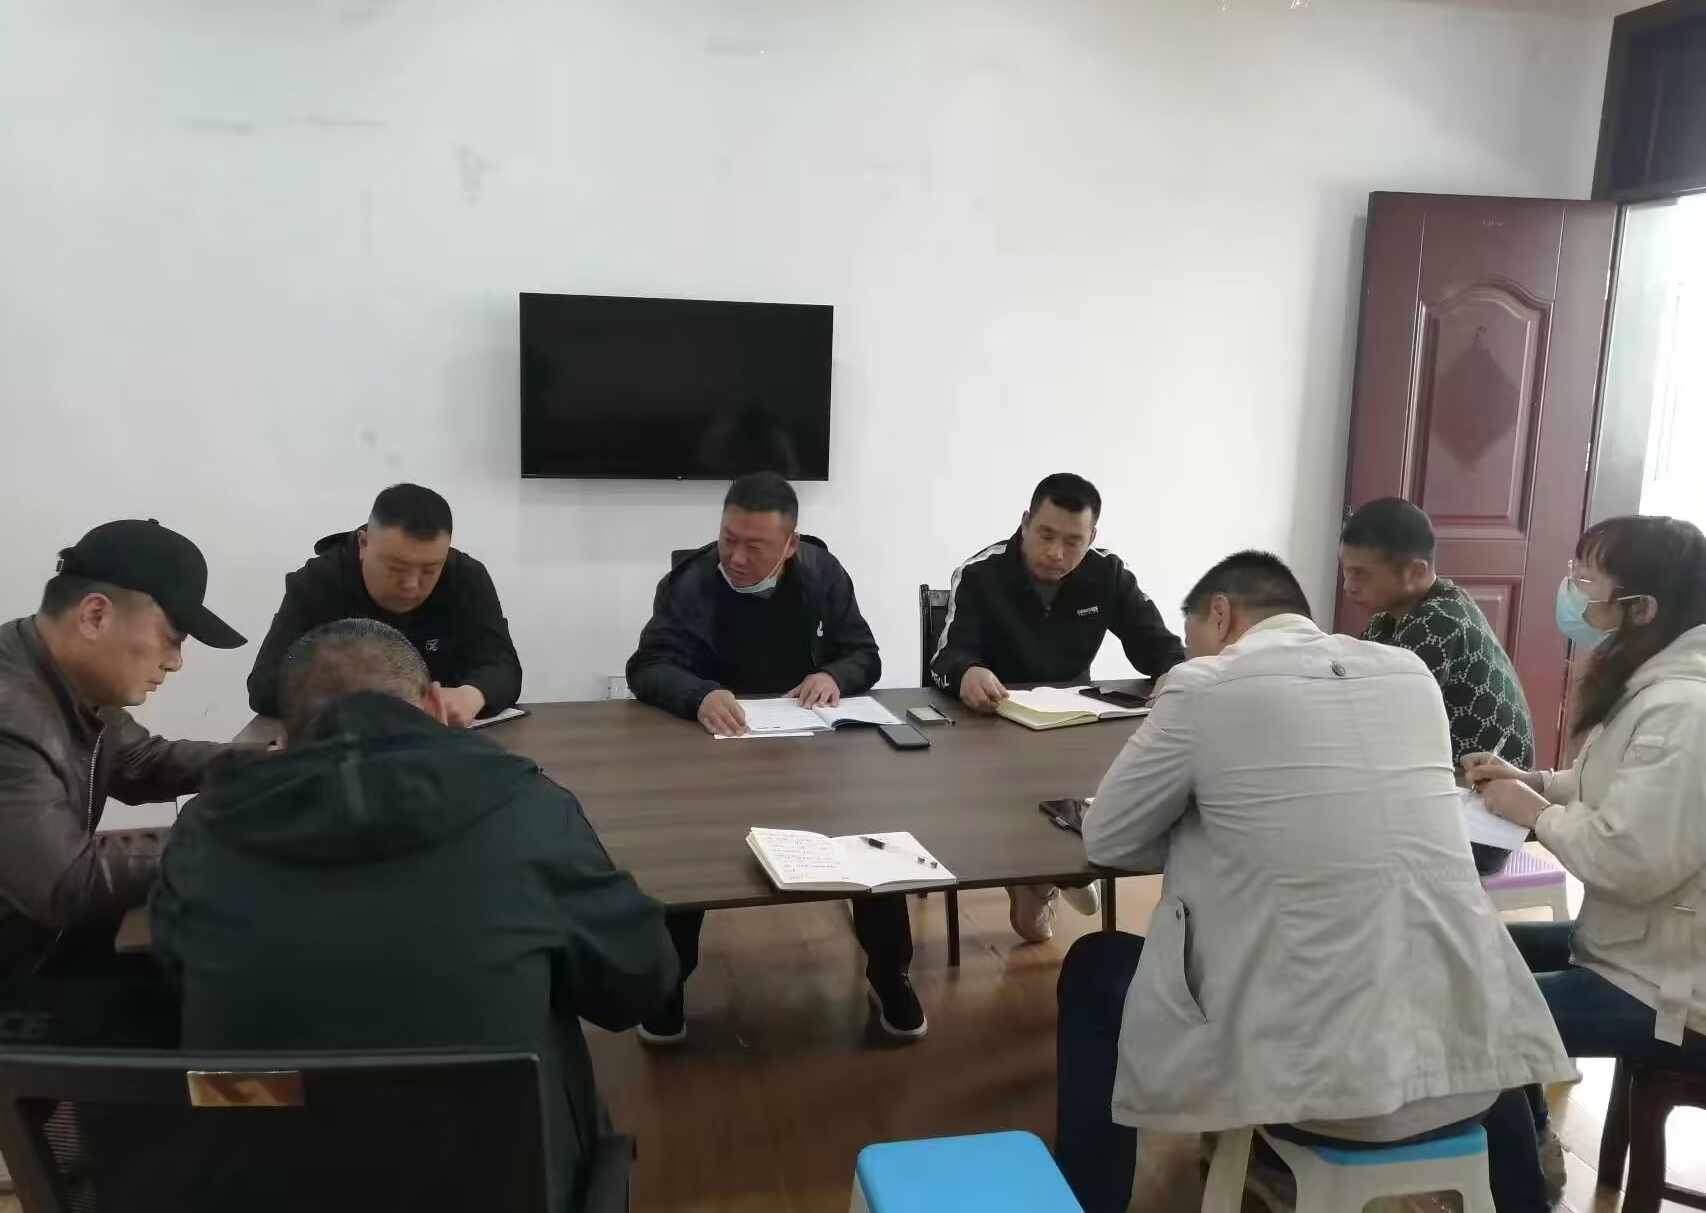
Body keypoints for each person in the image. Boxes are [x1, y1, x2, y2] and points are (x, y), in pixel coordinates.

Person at [1054, 550, 1570, 1213]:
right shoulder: (1407, 673)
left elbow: (1109, 838)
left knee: (1095, 966)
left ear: (1220, 614)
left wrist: (1204, 825)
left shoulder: (1203, 686)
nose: (1190, 653)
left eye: (1193, 638)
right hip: (1473, 1065)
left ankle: (1083, 1202)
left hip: (1310, 1084)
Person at [153, 619, 677, 1211]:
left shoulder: (205, 832)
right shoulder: (526, 809)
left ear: (287, 735)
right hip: (500, 1184)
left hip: (267, 1181)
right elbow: (639, 982)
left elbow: (175, 974)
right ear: (434, 704)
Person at [625, 472, 922, 1042]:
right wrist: (699, 694)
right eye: (728, 539)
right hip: (717, 746)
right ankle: (667, 983)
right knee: (686, 851)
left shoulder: (822, 573)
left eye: (755, 546)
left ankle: (891, 974)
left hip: (810, 747)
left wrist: (834, 676)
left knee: (869, 833)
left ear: (791, 545)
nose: (735, 558)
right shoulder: (689, 583)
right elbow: (648, 666)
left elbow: (864, 653)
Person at [1468, 515, 1706, 1208]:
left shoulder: (1685, 708)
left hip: (1670, 989)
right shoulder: (1658, 682)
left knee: (1473, 1017)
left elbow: (1630, 859)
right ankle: (1535, 1139)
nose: (1572, 592)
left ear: (1641, 608)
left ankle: (1522, 1193)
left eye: (1586, 580)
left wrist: (1533, 814)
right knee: (1471, 952)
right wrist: (1537, 783)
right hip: (1636, 949)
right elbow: (1615, 785)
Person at [0, 520, 252, 1047]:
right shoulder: (10, 712)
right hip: (18, 962)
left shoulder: (64, 678)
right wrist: (228, 835)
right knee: (189, 1019)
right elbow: (66, 883)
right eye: (171, 640)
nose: (176, 662)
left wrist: (267, 762)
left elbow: (141, 760)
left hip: (40, 936)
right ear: (95, 615)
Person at [930, 473, 1185, 944]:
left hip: (1072, 722)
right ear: (1025, 522)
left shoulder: (1108, 574)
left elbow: (1161, 646)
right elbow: (947, 657)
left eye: (1073, 542)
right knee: (1030, 788)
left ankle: (1051, 873)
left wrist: (1174, 673)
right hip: (993, 724)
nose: (1056, 553)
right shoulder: (982, 573)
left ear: (1092, 537)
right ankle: (1054, 872)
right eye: (1045, 535)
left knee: (1125, 774)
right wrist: (967, 672)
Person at [1342, 497, 1535, 875]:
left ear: (1414, 572)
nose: (1348, 586)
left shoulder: (1439, 622)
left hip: (1484, 824)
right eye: (1346, 571)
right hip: (1449, 803)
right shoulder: (1390, 619)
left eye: (1361, 574)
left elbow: (1371, 721)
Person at [246, 483, 522, 727]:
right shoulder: (319, 582)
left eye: (429, 570)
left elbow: (502, 665)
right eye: (396, 568)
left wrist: (473, 695)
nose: (411, 585)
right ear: (363, 543)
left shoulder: (466, 578)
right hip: (347, 742)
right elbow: (265, 684)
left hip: (440, 743)